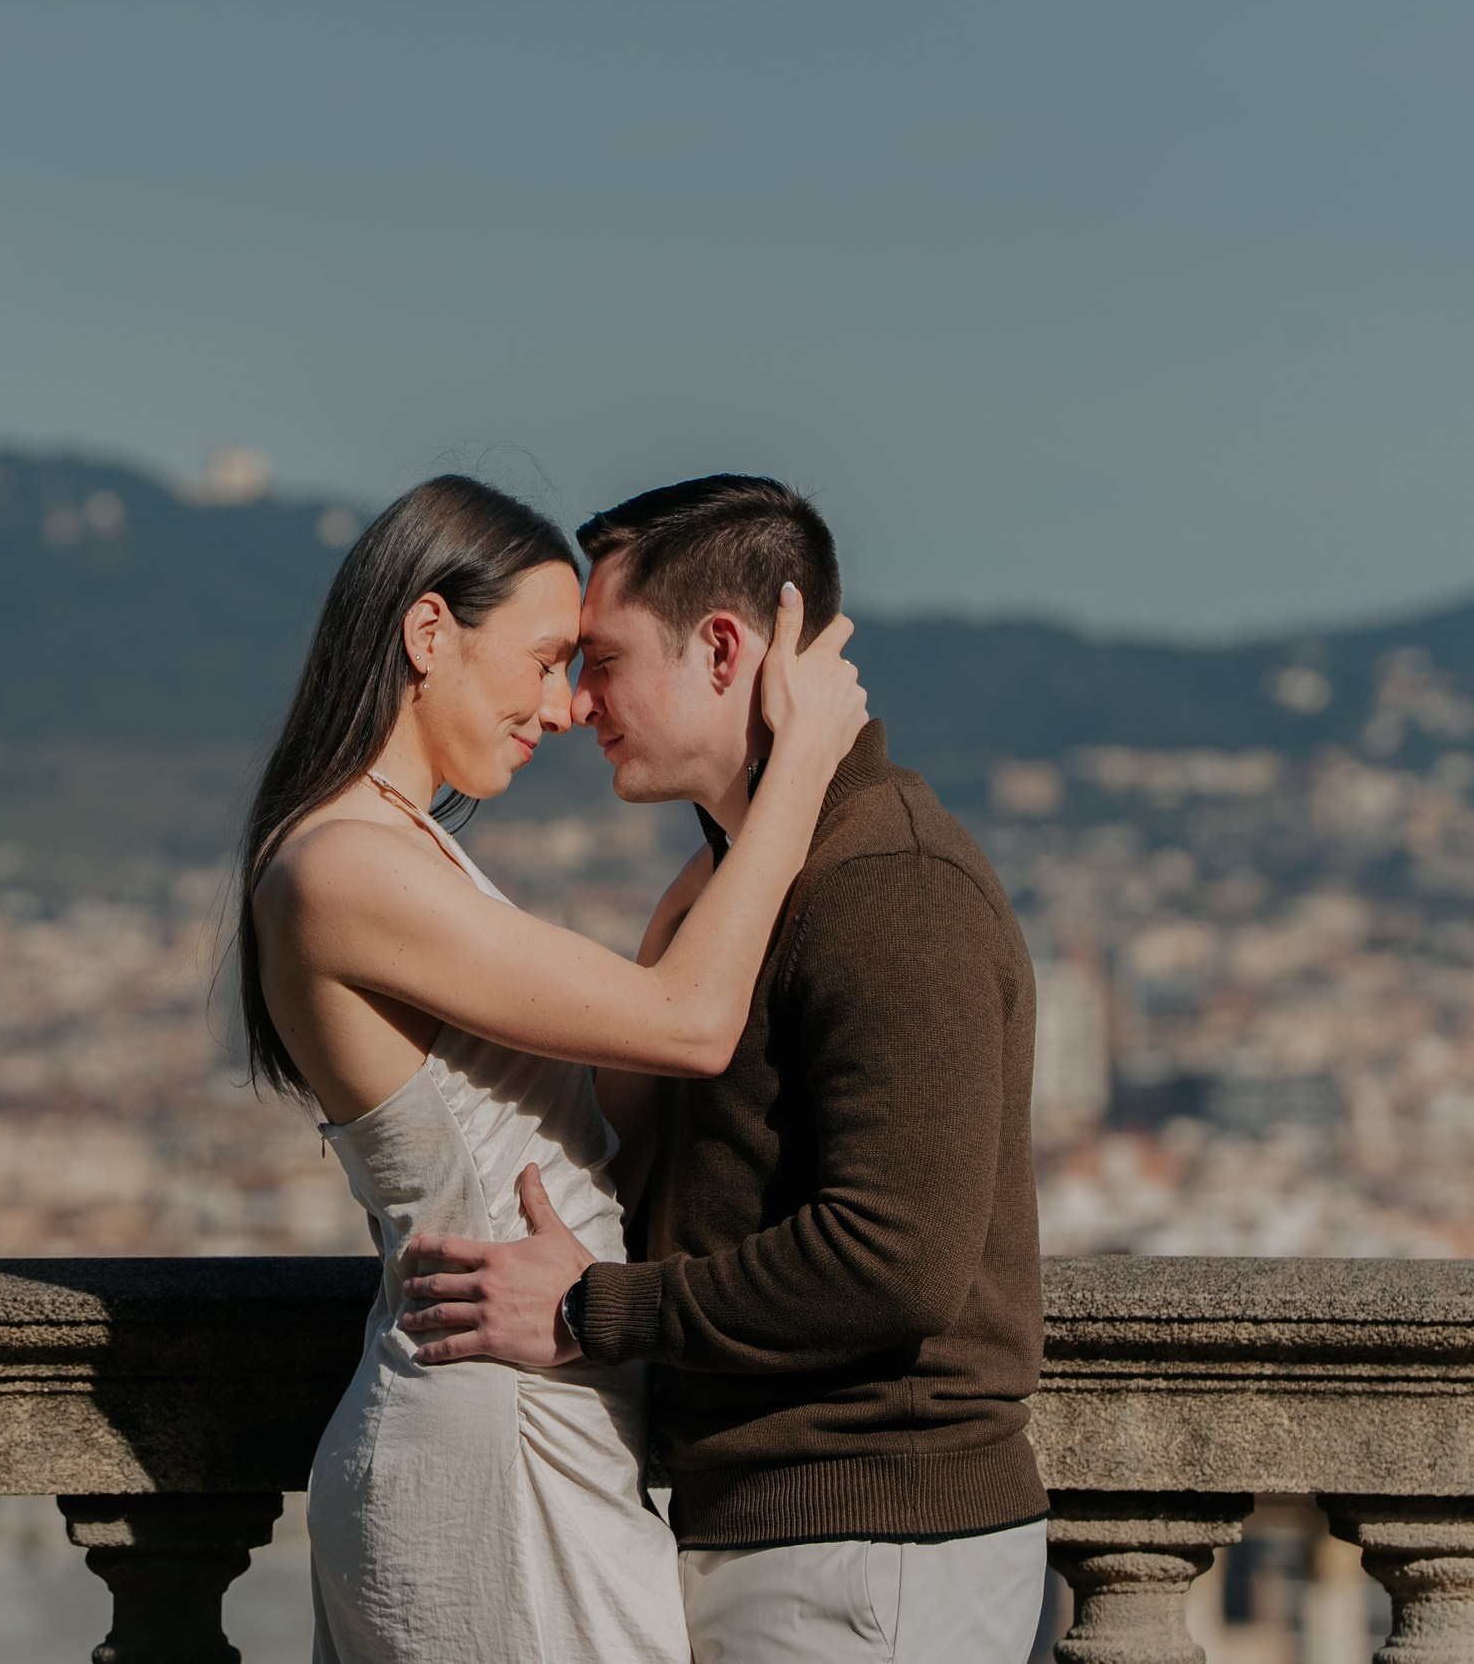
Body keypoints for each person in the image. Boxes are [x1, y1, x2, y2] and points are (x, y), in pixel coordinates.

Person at [398, 475, 1050, 1664]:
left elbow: (894, 1260)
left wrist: (594, 1310)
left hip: (865, 1548)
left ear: (719, 649)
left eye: (601, 657)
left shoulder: (889, 886)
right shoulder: (742, 892)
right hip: (795, 1543)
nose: (576, 699)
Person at [239, 473, 867, 1664]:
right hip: (491, 1433)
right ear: (430, 633)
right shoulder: (343, 866)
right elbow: (687, 1026)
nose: (564, 704)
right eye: (540, 660)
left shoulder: (393, 851)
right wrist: (801, 771)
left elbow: (596, 1102)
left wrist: (741, 787)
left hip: (525, 1415)